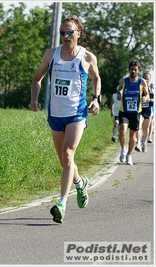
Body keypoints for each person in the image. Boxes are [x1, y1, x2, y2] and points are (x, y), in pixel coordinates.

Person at [29, 15, 101, 224]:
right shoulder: (52, 55)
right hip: (56, 114)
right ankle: (80, 183)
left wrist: (96, 99)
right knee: (64, 161)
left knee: (68, 154)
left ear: (78, 33)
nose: (65, 35)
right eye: (62, 32)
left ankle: (61, 203)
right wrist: (34, 99)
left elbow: (96, 78)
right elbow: (36, 79)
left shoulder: (87, 57)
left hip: (76, 114)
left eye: (69, 32)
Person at [117, 60, 149, 165]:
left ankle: (129, 155)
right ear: (129, 70)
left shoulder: (142, 82)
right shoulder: (123, 80)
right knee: (122, 132)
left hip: (135, 112)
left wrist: (145, 97)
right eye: (131, 69)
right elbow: (119, 89)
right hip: (124, 111)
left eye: (135, 70)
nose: (133, 71)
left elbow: (147, 94)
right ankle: (123, 149)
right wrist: (119, 94)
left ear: (139, 71)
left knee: (132, 136)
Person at [139, 72, 153, 152]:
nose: (146, 80)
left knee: (146, 128)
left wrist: (149, 100)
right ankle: (138, 143)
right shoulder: (140, 88)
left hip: (148, 109)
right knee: (139, 126)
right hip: (140, 109)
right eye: (144, 78)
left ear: (150, 79)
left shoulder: (151, 89)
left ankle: (144, 142)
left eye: (147, 78)